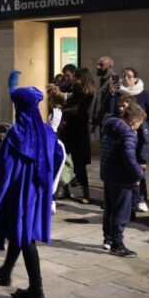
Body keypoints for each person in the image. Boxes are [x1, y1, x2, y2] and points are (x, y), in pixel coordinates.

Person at [0, 71, 65, 298]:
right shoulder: (46, 132)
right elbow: (58, 157)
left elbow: (4, 170)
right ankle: (6, 271)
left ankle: (36, 289)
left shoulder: (15, 134)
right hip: (37, 193)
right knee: (19, 232)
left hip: (18, 194)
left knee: (25, 237)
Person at [106, 67, 149, 212]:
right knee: (124, 167)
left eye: (129, 76)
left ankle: (140, 198)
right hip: (121, 135)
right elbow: (110, 111)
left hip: (139, 137)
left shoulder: (144, 94)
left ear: (136, 78)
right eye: (123, 76)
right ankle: (127, 201)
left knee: (138, 169)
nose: (126, 78)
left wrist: (145, 126)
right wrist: (111, 94)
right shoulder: (118, 93)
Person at [100, 103, 144, 257]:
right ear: (135, 120)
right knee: (121, 211)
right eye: (140, 123)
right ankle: (117, 244)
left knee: (110, 208)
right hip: (122, 178)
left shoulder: (110, 127)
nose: (139, 126)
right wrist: (138, 174)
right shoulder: (128, 134)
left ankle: (108, 239)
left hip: (108, 174)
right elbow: (129, 156)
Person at [60, 68, 95, 204]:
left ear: (82, 79)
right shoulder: (71, 90)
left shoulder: (88, 94)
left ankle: (86, 193)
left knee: (80, 164)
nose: (73, 79)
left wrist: (61, 111)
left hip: (79, 132)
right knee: (64, 160)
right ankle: (65, 190)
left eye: (76, 77)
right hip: (67, 130)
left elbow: (77, 110)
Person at [89, 56, 116, 133]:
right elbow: (98, 102)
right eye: (97, 64)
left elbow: (111, 103)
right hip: (101, 121)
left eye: (101, 65)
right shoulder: (102, 80)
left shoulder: (113, 81)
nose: (98, 67)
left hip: (108, 122)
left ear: (110, 67)